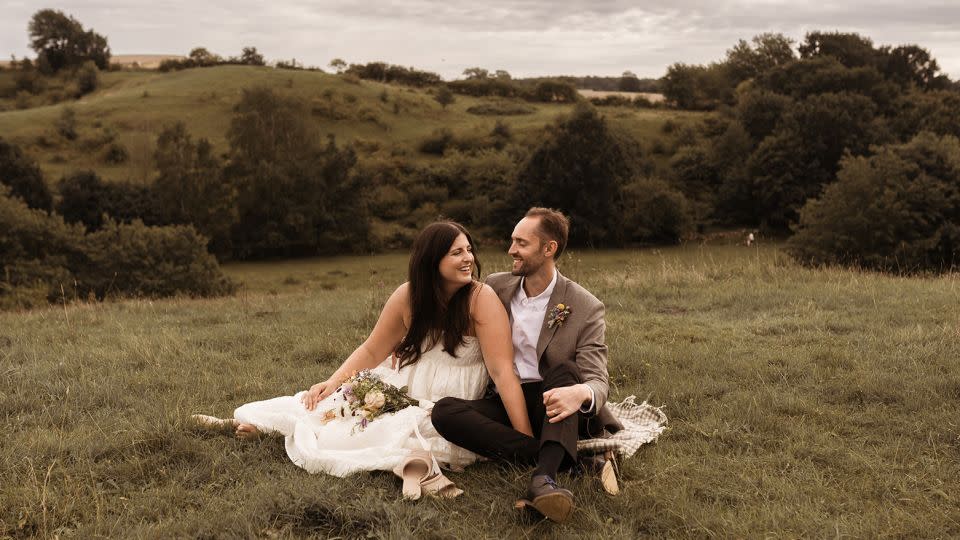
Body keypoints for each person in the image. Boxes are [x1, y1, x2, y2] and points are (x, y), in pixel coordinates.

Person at [192, 221, 532, 498]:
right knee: (332, 409)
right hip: (402, 386)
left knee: (383, 433)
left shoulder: (479, 299)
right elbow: (372, 351)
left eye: (469, 249)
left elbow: (503, 372)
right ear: (432, 261)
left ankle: (273, 432)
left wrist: (524, 440)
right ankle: (257, 425)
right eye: (457, 252)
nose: (468, 258)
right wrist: (333, 381)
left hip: (447, 402)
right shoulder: (409, 295)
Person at [432, 207, 622, 523]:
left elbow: (597, 379)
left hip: (558, 404)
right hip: (508, 399)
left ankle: (543, 479)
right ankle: (569, 461)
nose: (511, 251)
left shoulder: (585, 306)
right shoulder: (495, 286)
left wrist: (580, 394)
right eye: (512, 241)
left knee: (566, 372)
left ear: (549, 249)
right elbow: (447, 307)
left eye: (521, 243)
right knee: (445, 411)